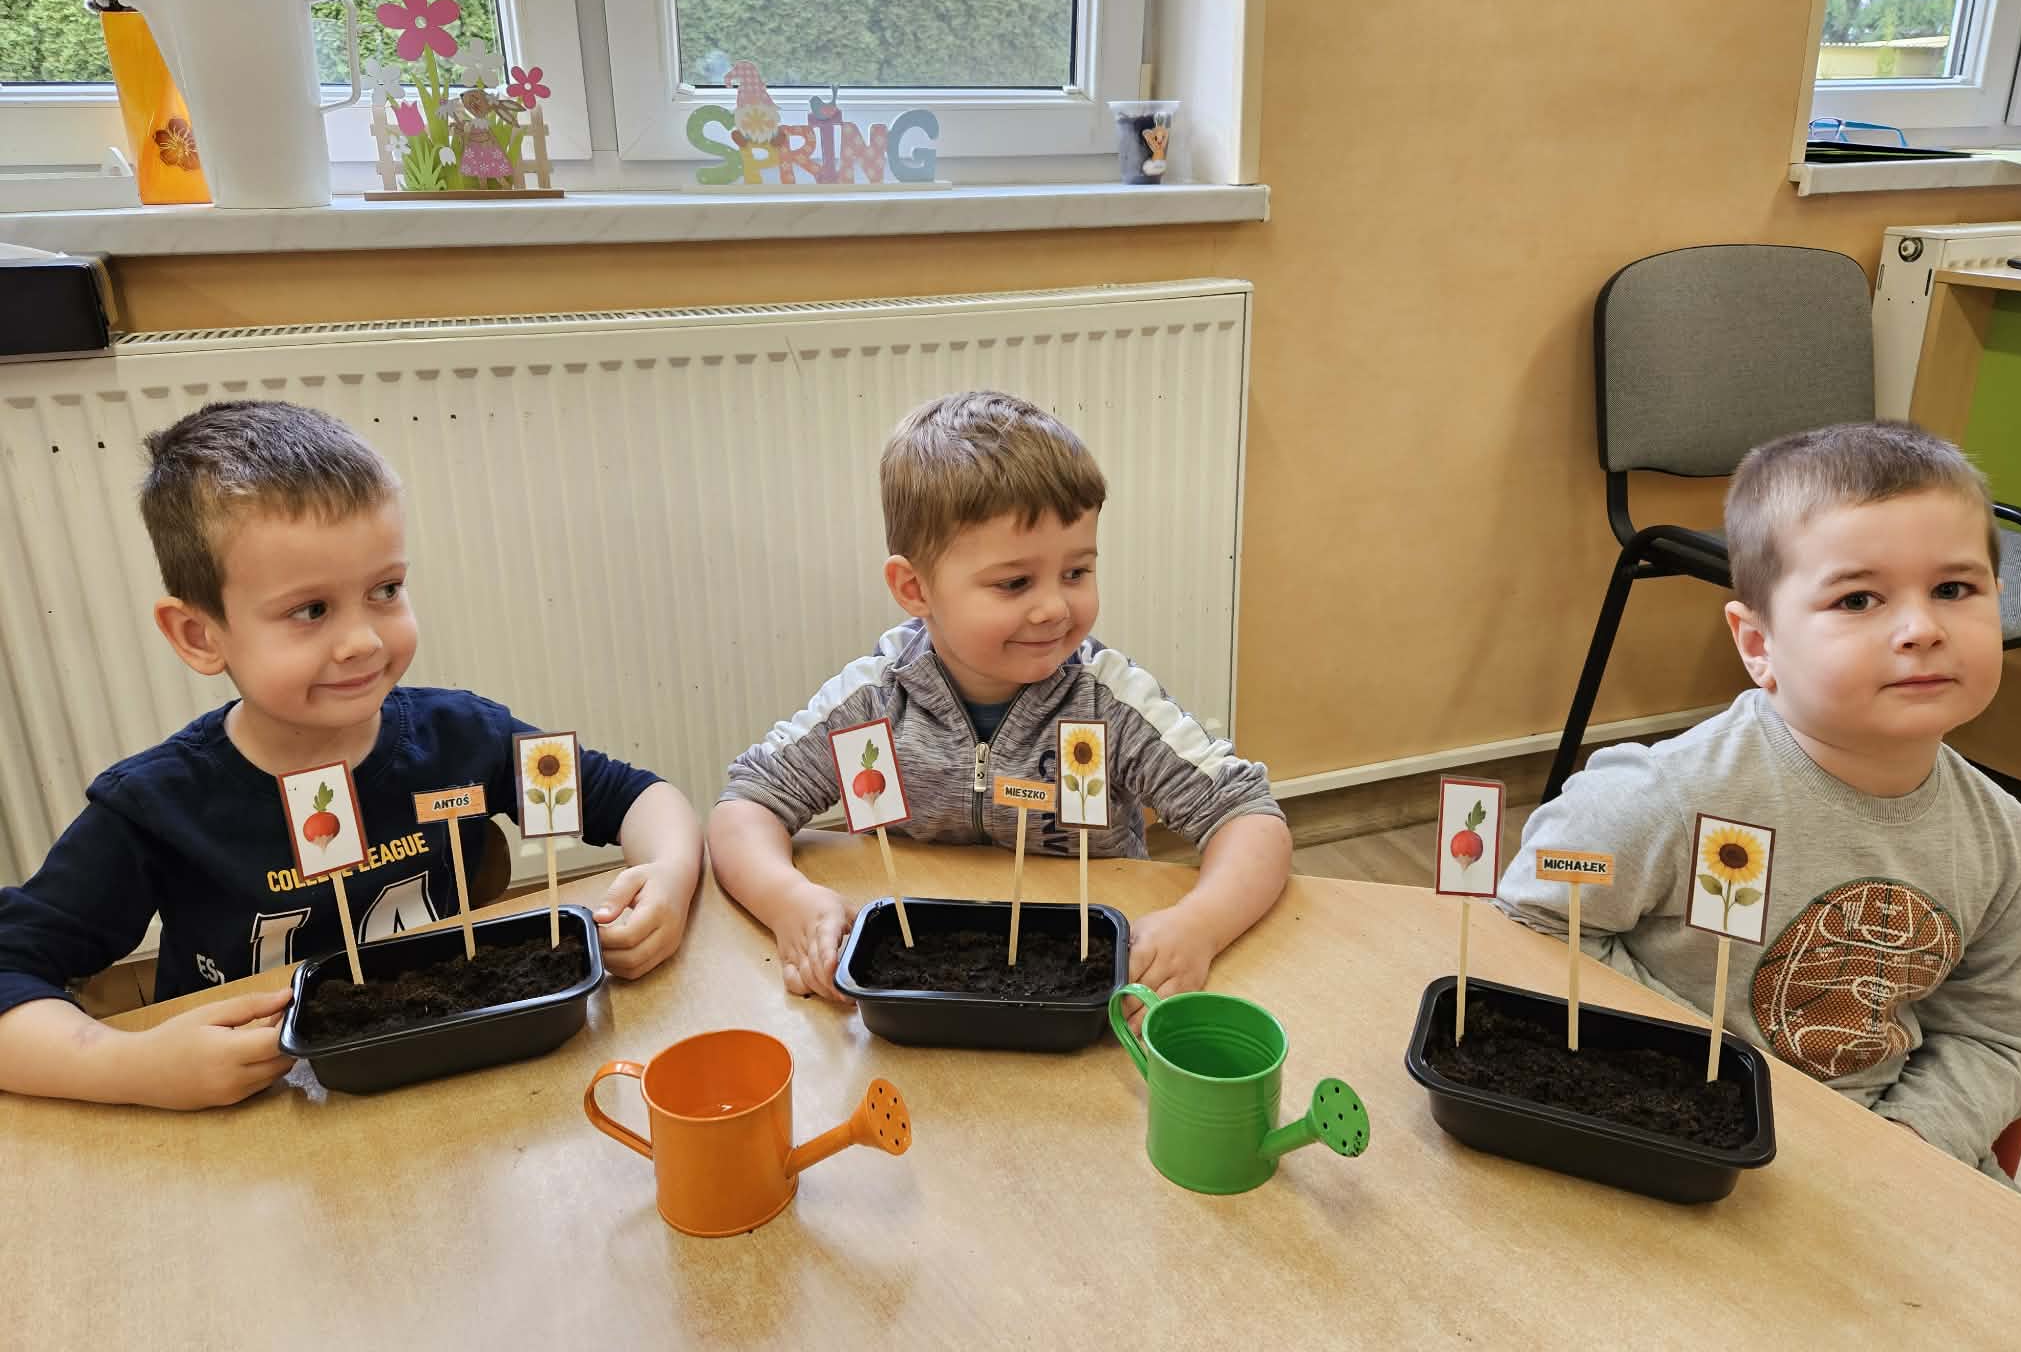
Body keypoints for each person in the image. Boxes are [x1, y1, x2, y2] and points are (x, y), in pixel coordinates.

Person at [0, 401, 702, 1108]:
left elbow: (639, 797)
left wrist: (668, 876)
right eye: (311, 610)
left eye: (385, 590)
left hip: (468, 1089)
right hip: (257, 1122)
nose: (363, 641)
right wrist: (132, 1066)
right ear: (199, 635)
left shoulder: (463, 737)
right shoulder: (155, 808)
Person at [1498, 421, 2021, 1181]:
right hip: (1672, 1132)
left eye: (1953, 589)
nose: (1922, 629)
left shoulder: (2006, 839)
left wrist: (1910, 1146)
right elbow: (1532, 925)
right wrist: (1697, 1079)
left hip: (1893, 1161)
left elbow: (1997, 1035)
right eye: (1859, 599)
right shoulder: (1662, 796)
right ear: (1759, 646)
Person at [709, 390, 1292, 1010]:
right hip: (921, 979)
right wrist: (788, 900)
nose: (1054, 608)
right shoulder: (874, 701)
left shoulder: (1111, 704)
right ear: (914, 588)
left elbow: (1249, 817)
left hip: (1082, 980)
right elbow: (746, 805)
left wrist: (1199, 924)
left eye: (1076, 572)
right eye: (1015, 583)